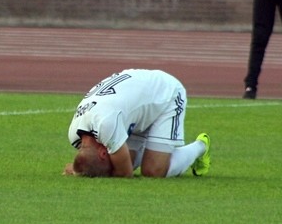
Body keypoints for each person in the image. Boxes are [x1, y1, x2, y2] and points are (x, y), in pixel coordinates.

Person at [63, 69, 211, 178]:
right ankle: (156, 149)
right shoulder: (74, 135)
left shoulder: (105, 124)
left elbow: (124, 174)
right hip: (133, 108)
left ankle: (201, 146)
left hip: (165, 94)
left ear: (103, 152)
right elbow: (90, 159)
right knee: (126, 159)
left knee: (153, 171)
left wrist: (110, 171)